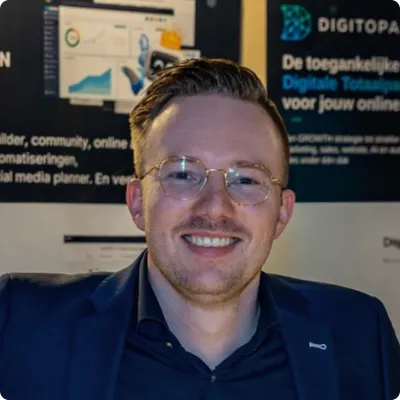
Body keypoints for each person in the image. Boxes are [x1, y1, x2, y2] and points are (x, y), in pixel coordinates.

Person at [0, 58, 399, 400]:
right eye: (182, 174)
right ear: (138, 202)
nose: (215, 207)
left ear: (282, 212)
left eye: (246, 179)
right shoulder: (18, 325)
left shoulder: (360, 334)